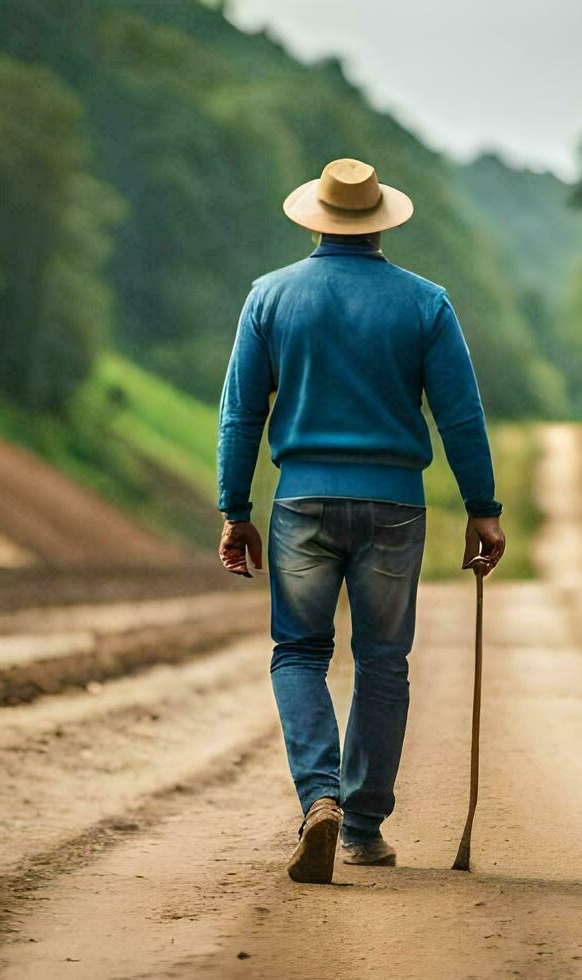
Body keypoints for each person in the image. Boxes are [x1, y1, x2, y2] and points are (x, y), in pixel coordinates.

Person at [216, 158, 506, 884]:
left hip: (302, 501)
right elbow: (460, 414)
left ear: (316, 218)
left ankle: (320, 799)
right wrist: (483, 508)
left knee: (299, 654)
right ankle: (364, 825)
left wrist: (234, 509)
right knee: (383, 661)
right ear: (380, 223)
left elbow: (242, 412)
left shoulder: (270, 296)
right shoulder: (425, 304)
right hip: (395, 505)